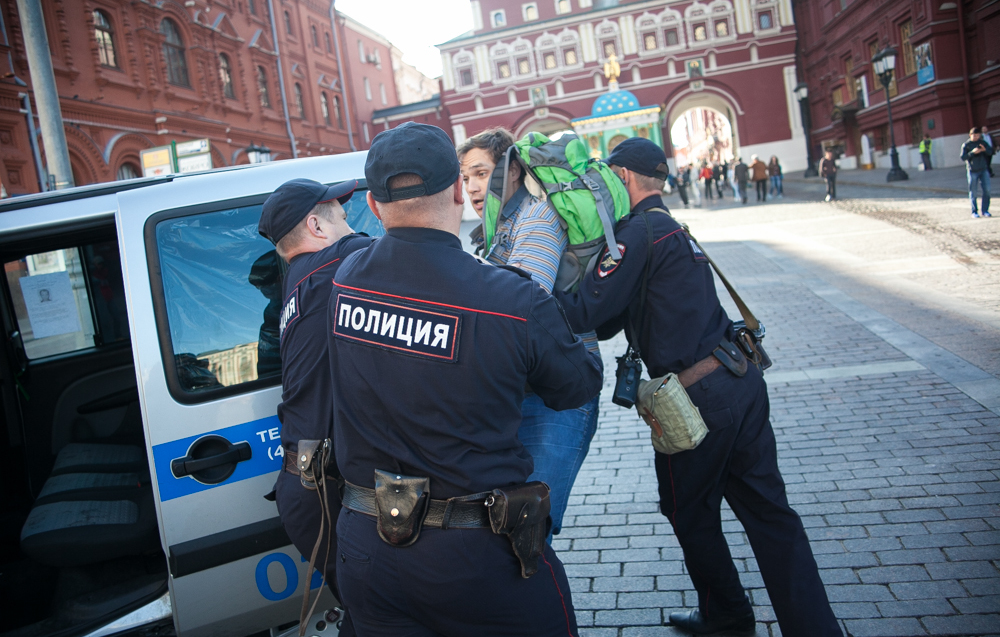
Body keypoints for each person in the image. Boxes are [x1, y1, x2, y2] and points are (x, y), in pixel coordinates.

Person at [554, 137, 843, 637]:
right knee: (771, 514)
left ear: (620, 179)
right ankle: (818, 630)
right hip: (739, 379)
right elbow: (610, 319)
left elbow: (583, 313)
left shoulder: (635, 234)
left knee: (689, 510)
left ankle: (727, 616)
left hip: (700, 402)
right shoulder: (673, 228)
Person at [328, 122, 603, 636]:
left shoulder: (345, 282)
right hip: (475, 559)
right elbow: (577, 386)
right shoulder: (510, 299)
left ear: (373, 201)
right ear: (457, 189)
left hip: (367, 548)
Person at [458, 127, 602, 541]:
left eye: (481, 174)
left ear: (513, 171)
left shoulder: (537, 217)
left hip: (558, 394)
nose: (471, 187)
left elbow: (524, 303)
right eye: (466, 178)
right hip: (524, 386)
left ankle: (545, 603)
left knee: (531, 526)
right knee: (514, 521)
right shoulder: (500, 225)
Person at [258, 178, 374, 637]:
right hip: (322, 492)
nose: (351, 226)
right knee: (378, 617)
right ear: (315, 225)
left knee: (372, 612)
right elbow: (402, 250)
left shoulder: (298, 282)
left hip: (306, 483)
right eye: (343, 218)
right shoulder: (334, 267)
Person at [962, 127, 993, 218]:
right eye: (974, 135)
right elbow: (963, 157)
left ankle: (985, 210)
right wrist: (972, 152)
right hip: (972, 171)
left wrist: (984, 150)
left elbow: (990, 152)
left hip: (983, 169)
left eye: (978, 135)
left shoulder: (983, 143)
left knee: (987, 190)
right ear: (970, 135)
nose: (976, 137)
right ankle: (974, 211)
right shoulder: (966, 145)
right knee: (973, 192)